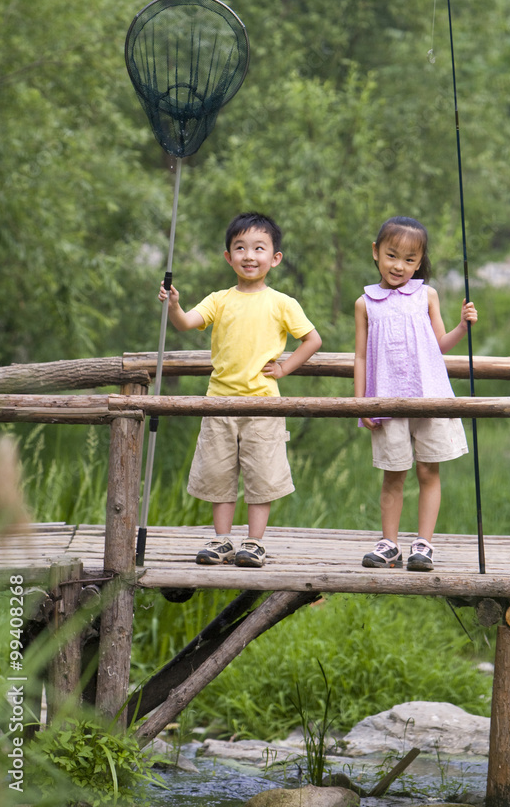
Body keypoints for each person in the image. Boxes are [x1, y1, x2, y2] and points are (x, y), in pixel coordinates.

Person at [159, 211, 322, 568]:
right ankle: (221, 540)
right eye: (240, 248)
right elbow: (186, 323)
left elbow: (312, 339)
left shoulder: (282, 303)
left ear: (275, 258)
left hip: (264, 405)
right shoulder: (219, 299)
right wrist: (174, 305)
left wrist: (283, 368)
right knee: (219, 474)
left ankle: (255, 542)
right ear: (228, 256)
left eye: (259, 248)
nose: (249, 256)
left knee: (261, 474)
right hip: (219, 403)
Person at [354, 215, 478, 572]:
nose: (400, 266)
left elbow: (441, 345)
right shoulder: (366, 302)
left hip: (430, 396)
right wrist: (361, 401)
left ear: (420, 262)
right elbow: (361, 356)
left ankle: (424, 544)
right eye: (393, 255)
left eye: (410, 260)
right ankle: (389, 544)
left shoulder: (427, 295)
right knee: (393, 474)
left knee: (428, 471)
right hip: (386, 400)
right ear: (376, 252)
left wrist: (461, 326)